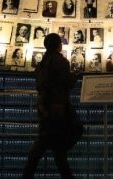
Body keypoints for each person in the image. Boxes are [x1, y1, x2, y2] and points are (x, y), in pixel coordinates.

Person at [23, 34, 81, 178]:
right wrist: (75, 76)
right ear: (59, 45)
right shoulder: (60, 61)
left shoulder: (42, 64)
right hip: (57, 111)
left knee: (54, 151)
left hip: (44, 109)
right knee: (48, 150)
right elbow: (66, 83)